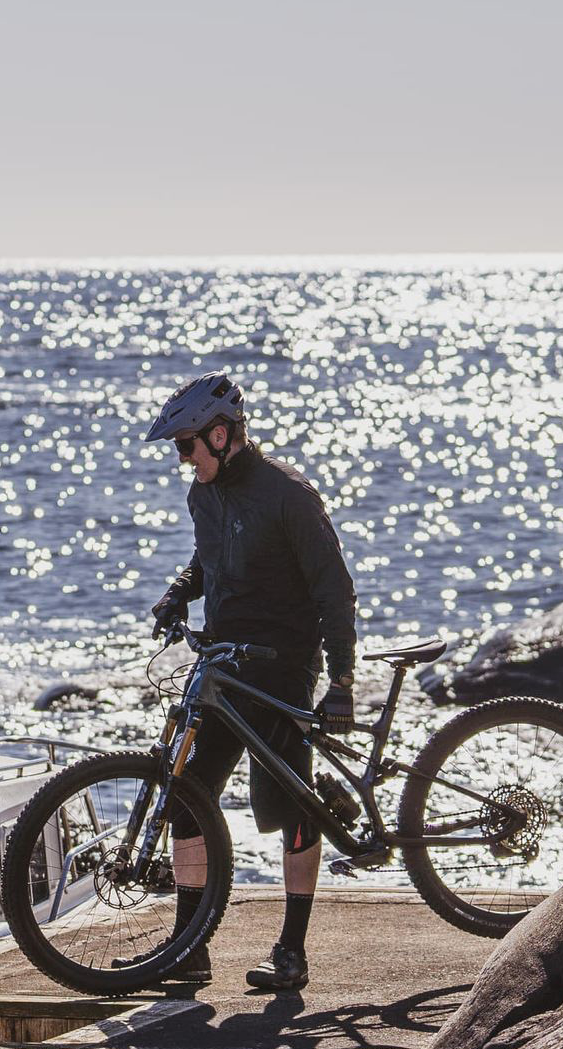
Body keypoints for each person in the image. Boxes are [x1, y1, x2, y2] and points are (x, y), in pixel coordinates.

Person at [144, 372, 358, 996]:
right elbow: (207, 561)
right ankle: (189, 949)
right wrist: (179, 593)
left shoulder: (289, 496)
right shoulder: (202, 495)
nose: (182, 460)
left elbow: (334, 592)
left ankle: (292, 951)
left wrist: (340, 682)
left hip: (283, 670)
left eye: (186, 446)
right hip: (224, 666)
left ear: (219, 433)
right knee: (188, 793)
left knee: (289, 805)